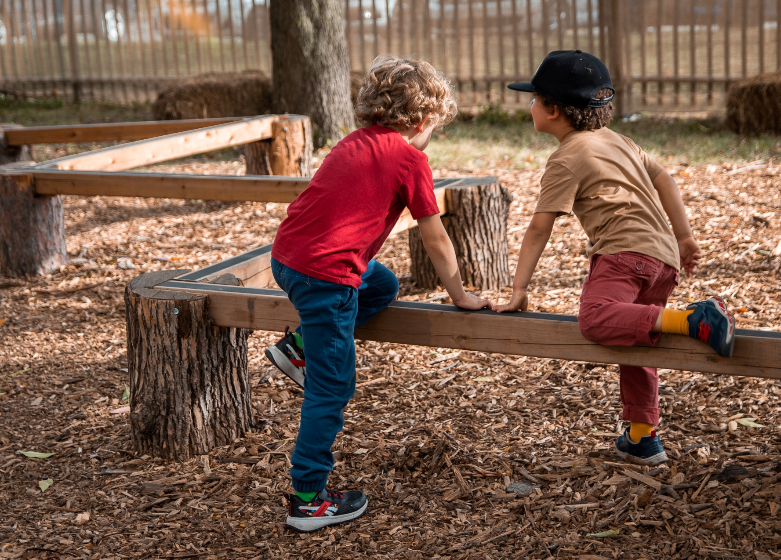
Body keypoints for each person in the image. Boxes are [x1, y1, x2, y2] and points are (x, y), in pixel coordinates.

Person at [264, 55, 492, 532]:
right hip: (327, 278)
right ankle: (308, 499)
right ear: (424, 121)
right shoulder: (410, 158)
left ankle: (300, 346)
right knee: (332, 388)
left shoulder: (352, 142)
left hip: (287, 258)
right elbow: (435, 238)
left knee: (382, 283)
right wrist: (461, 296)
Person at [494, 50, 736, 465]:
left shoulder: (566, 158)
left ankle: (695, 320)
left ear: (553, 110)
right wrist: (685, 237)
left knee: (596, 317)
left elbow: (539, 227)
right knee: (635, 334)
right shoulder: (620, 141)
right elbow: (666, 180)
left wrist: (519, 289)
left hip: (624, 254)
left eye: (533, 98)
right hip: (663, 260)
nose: (530, 105)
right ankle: (642, 435)